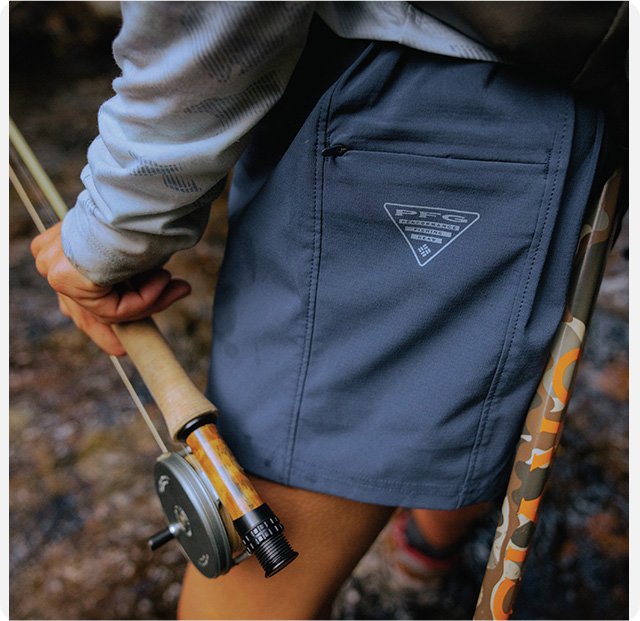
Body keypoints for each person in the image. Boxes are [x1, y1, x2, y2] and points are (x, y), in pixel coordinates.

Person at [30, 2, 627, 619]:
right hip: (581, 111)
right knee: (471, 362)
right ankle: (425, 561)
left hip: (403, 112)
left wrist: (111, 230)